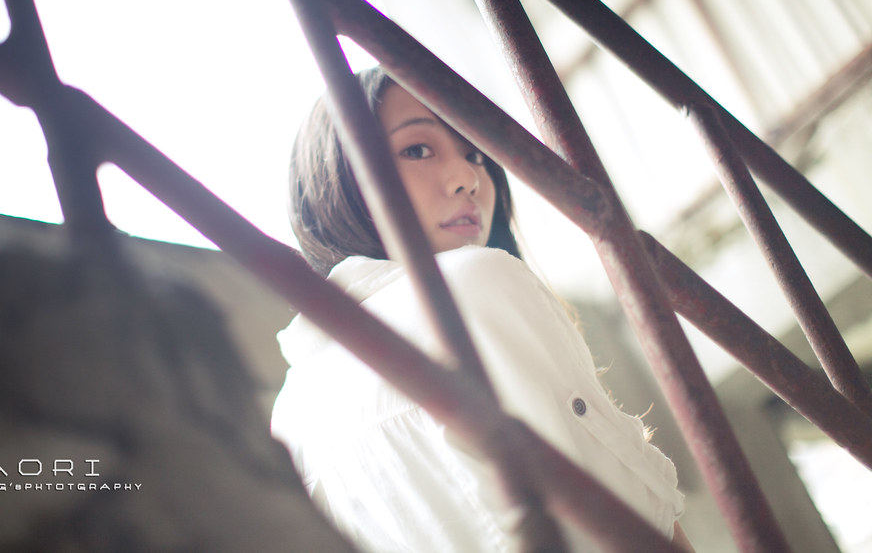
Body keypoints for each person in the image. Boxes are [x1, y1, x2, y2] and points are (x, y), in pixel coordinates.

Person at [271, 66, 691, 551]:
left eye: (474, 153)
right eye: (417, 149)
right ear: (339, 177)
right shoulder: (477, 283)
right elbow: (638, 519)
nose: (468, 178)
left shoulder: (290, 413)